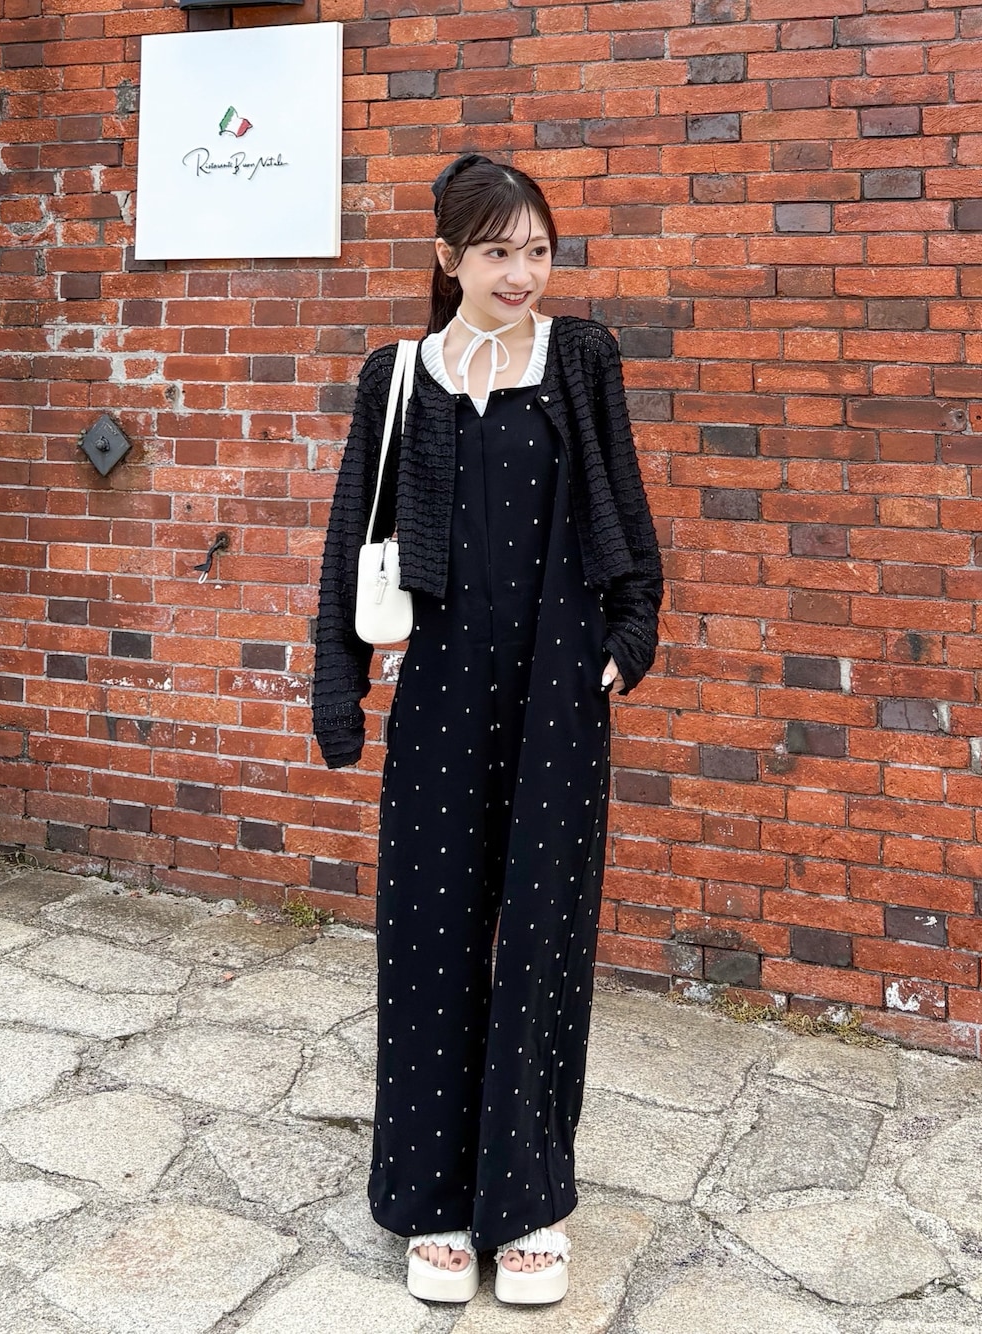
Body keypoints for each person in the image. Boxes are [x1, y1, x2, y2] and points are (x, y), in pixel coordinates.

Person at [312, 154, 662, 1306]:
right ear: (448, 257)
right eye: (498, 251)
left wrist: (629, 635)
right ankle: (431, 1200)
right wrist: (337, 682)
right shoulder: (397, 377)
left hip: (559, 684)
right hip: (441, 687)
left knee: (545, 942)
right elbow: (349, 536)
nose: (521, 272)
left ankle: (527, 1203)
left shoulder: (580, 358)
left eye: (537, 250)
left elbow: (624, 506)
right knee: (428, 937)